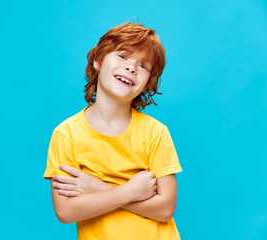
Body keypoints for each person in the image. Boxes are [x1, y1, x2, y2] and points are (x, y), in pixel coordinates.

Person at [43, 22, 182, 240]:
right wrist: (129, 191)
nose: (131, 68)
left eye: (143, 66)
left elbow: (165, 209)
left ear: (147, 84)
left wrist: (97, 187)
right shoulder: (66, 134)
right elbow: (65, 211)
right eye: (123, 57)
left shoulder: (155, 132)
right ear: (97, 60)